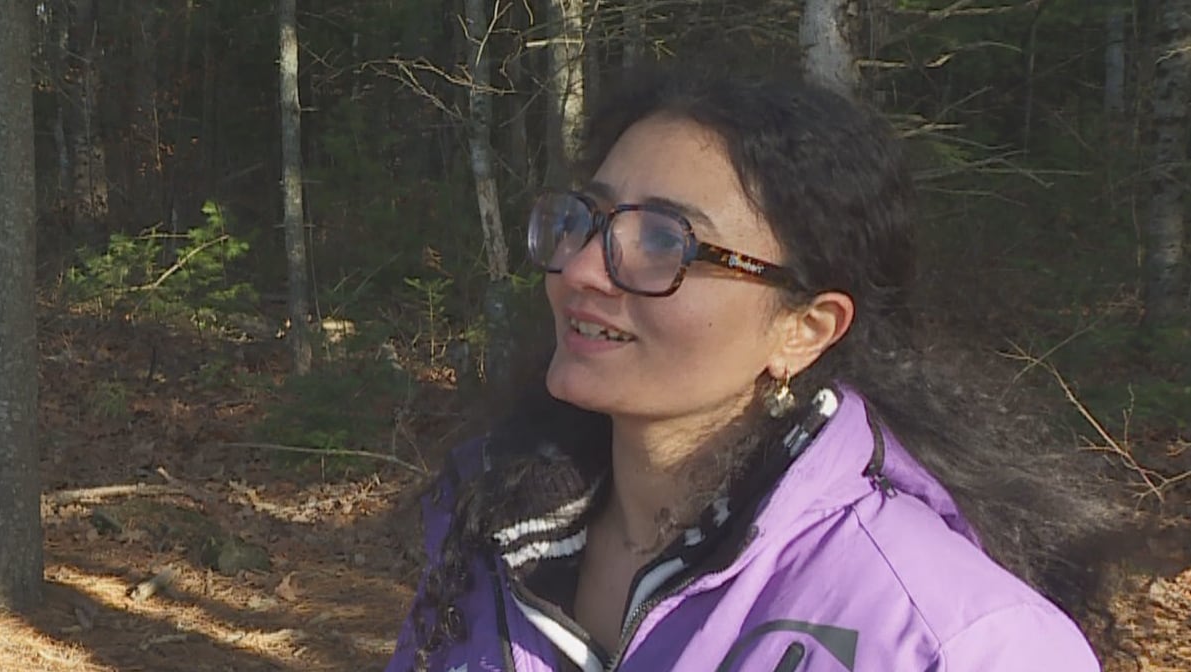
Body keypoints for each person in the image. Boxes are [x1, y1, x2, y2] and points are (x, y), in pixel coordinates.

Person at [384, 67, 1115, 671]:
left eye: (662, 243)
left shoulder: (950, 640)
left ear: (804, 329)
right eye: (585, 220)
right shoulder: (495, 539)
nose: (579, 270)